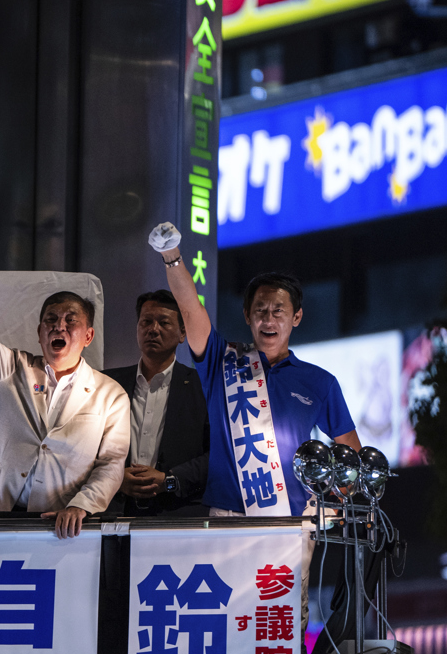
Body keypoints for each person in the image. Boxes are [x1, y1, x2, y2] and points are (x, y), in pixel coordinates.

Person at [149, 221, 360, 518]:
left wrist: (351, 502)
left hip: (293, 519)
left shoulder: (320, 382)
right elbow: (190, 310)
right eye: (260, 310)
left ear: (297, 317)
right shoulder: (221, 361)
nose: (268, 319)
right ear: (247, 315)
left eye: (278, 311)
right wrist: (171, 254)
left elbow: (351, 451)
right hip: (227, 515)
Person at [0, 245, 129, 538]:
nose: (60, 327)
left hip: (58, 521)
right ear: (40, 331)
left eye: (71, 320)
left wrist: (82, 505)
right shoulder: (12, 366)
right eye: (51, 320)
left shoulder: (111, 395)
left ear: (88, 335)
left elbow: (112, 462)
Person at [102, 289, 209, 516]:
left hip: (177, 516)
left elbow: (217, 454)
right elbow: (82, 449)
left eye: (164, 323)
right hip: (114, 513)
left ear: (182, 333)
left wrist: (170, 481)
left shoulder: (203, 387)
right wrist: (115, 479)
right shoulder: (106, 383)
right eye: (146, 322)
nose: (153, 329)